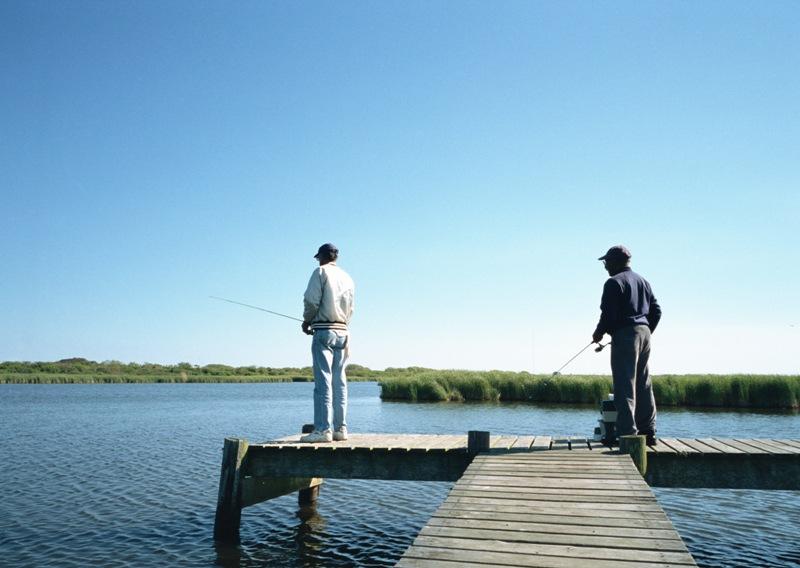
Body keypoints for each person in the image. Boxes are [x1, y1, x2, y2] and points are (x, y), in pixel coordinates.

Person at [592, 245, 661, 446]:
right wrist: (644, 330)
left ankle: (628, 435)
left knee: (624, 385)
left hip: (626, 334)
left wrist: (599, 333)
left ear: (615, 262)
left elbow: (608, 314)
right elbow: (656, 311)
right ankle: (648, 432)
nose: (605, 267)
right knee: (644, 384)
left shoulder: (613, 283)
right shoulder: (644, 282)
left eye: (606, 262)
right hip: (645, 333)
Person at [299, 243, 355, 443]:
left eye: (318, 257)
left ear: (322, 256)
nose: (318, 261)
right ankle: (341, 429)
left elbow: (311, 301)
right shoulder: (347, 277)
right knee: (340, 382)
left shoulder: (320, 272)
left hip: (324, 331)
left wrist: (307, 320)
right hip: (344, 331)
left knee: (323, 381)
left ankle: (323, 430)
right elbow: (351, 308)